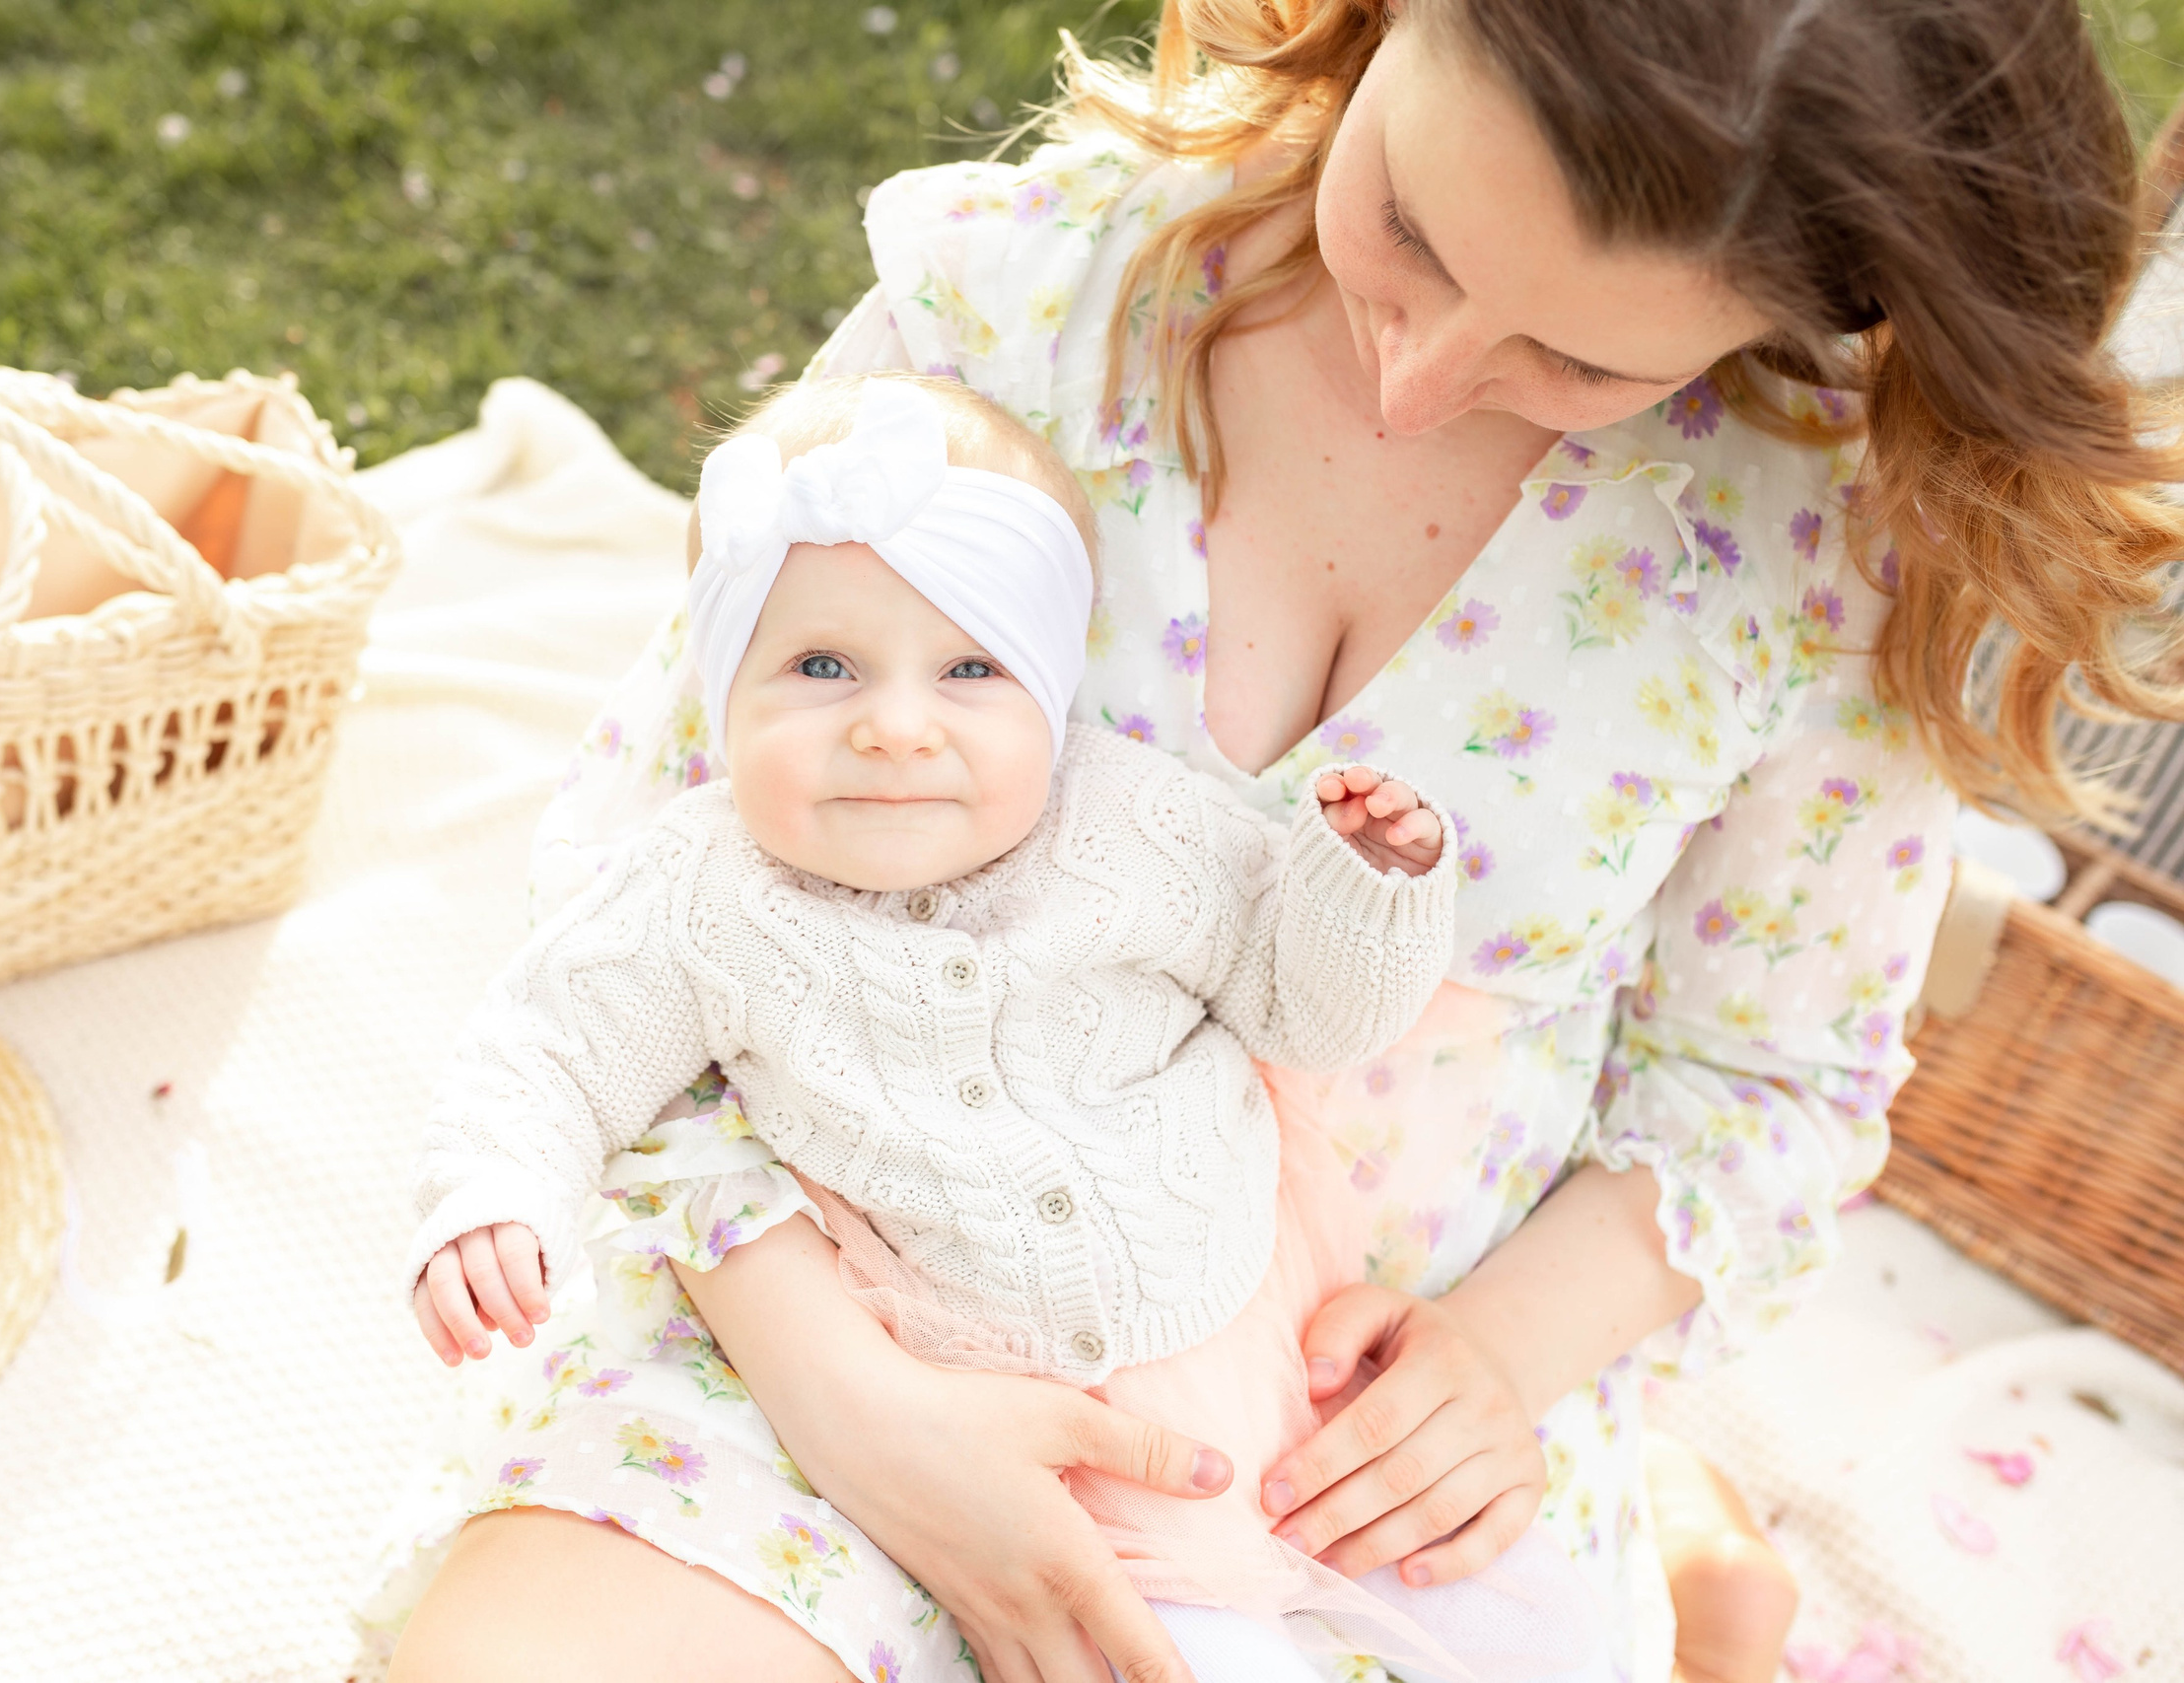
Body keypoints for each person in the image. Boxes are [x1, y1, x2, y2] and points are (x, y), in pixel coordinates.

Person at [361, 1, 2183, 1679]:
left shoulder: (1818, 558)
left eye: (1573, 356)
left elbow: (1765, 1087)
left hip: (1344, 1466)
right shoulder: (1026, 301)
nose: (1418, 377)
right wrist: (854, 1405)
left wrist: (1504, 1361)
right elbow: (639, 876)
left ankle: (1674, 1551)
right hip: (818, 1304)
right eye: (1411, 227)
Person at [405, 371, 1624, 1680]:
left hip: (1243, 1355)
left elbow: (1307, 1014)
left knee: (1535, 1631)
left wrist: (1364, 887)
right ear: (723, 688)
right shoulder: (701, 889)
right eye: (820, 666)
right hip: (945, 1388)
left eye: (969, 670)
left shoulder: (1134, 824)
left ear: (1047, 690)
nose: (894, 727)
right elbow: (549, 1049)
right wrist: (497, 1194)